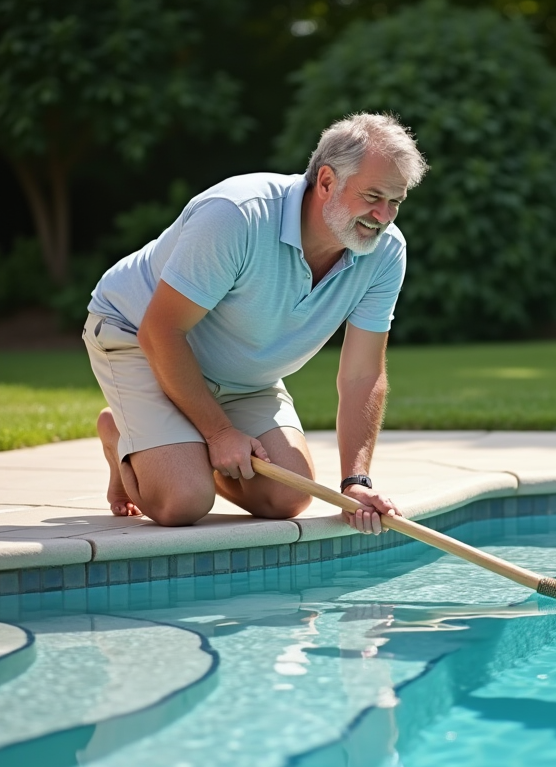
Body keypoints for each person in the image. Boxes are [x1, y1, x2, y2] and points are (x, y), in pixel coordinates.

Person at [82, 113, 427, 532]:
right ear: (326, 182)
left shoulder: (385, 251)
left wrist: (355, 482)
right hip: (140, 335)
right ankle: (122, 436)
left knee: (291, 496)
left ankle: (168, 441)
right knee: (183, 501)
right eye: (373, 196)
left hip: (243, 376)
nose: (384, 215)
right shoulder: (237, 215)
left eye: (395, 201)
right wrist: (220, 432)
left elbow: (362, 374)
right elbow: (161, 332)